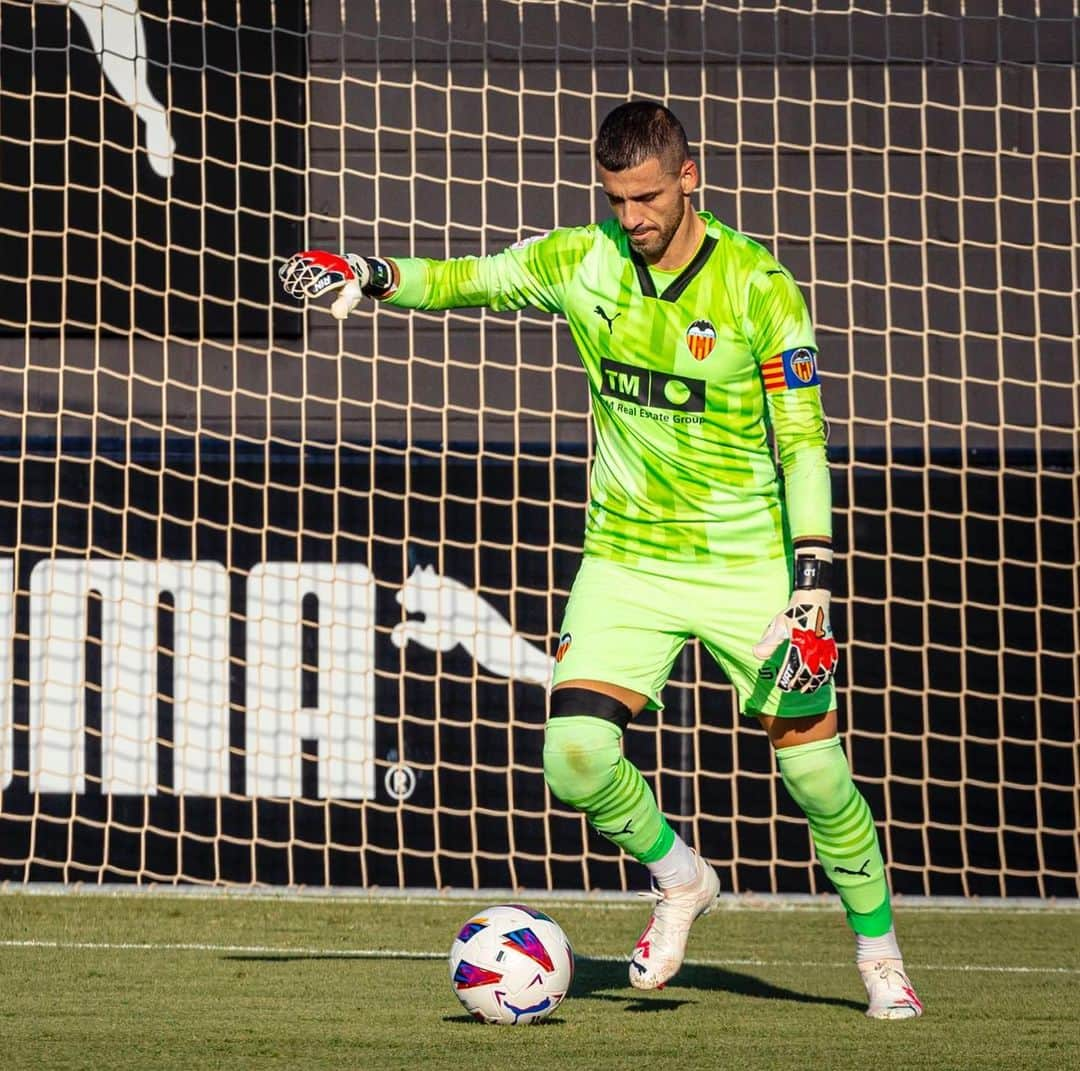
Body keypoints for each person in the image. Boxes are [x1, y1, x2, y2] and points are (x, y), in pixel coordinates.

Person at [279, 100, 924, 1020]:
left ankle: (881, 953)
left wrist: (812, 580)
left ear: (689, 175)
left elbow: (804, 443)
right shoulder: (587, 259)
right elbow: (472, 277)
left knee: (816, 775)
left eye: (649, 197)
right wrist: (376, 275)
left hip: (748, 561)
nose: (634, 218)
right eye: (617, 198)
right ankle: (682, 878)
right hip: (626, 558)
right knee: (575, 757)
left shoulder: (757, 287)